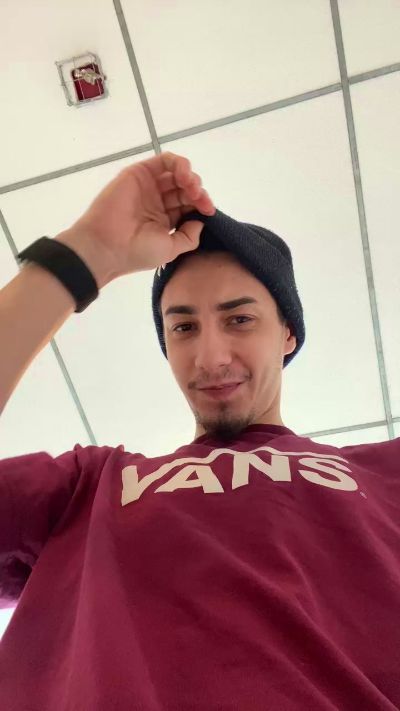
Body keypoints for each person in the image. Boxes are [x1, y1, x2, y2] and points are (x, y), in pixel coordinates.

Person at [0, 152, 399, 710]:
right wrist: (88, 252)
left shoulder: (387, 471)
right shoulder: (86, 488)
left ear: (288, 333)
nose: (210, 357)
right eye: (184, 327)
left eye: (239, 319)